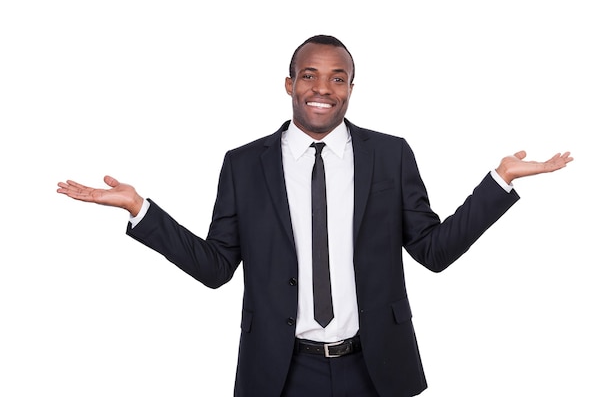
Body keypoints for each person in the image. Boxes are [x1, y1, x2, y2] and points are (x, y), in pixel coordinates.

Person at [57, 35, 573, 397]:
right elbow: (216, 267)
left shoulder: (390, 155)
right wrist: (140, 210)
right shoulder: (243, 164)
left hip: (378, 368)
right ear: (288, 84)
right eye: (310, 75)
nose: (322, 88)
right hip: (281, 372)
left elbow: (433, 252)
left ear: (351, 87)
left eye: (338, 78)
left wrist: (499, 182)